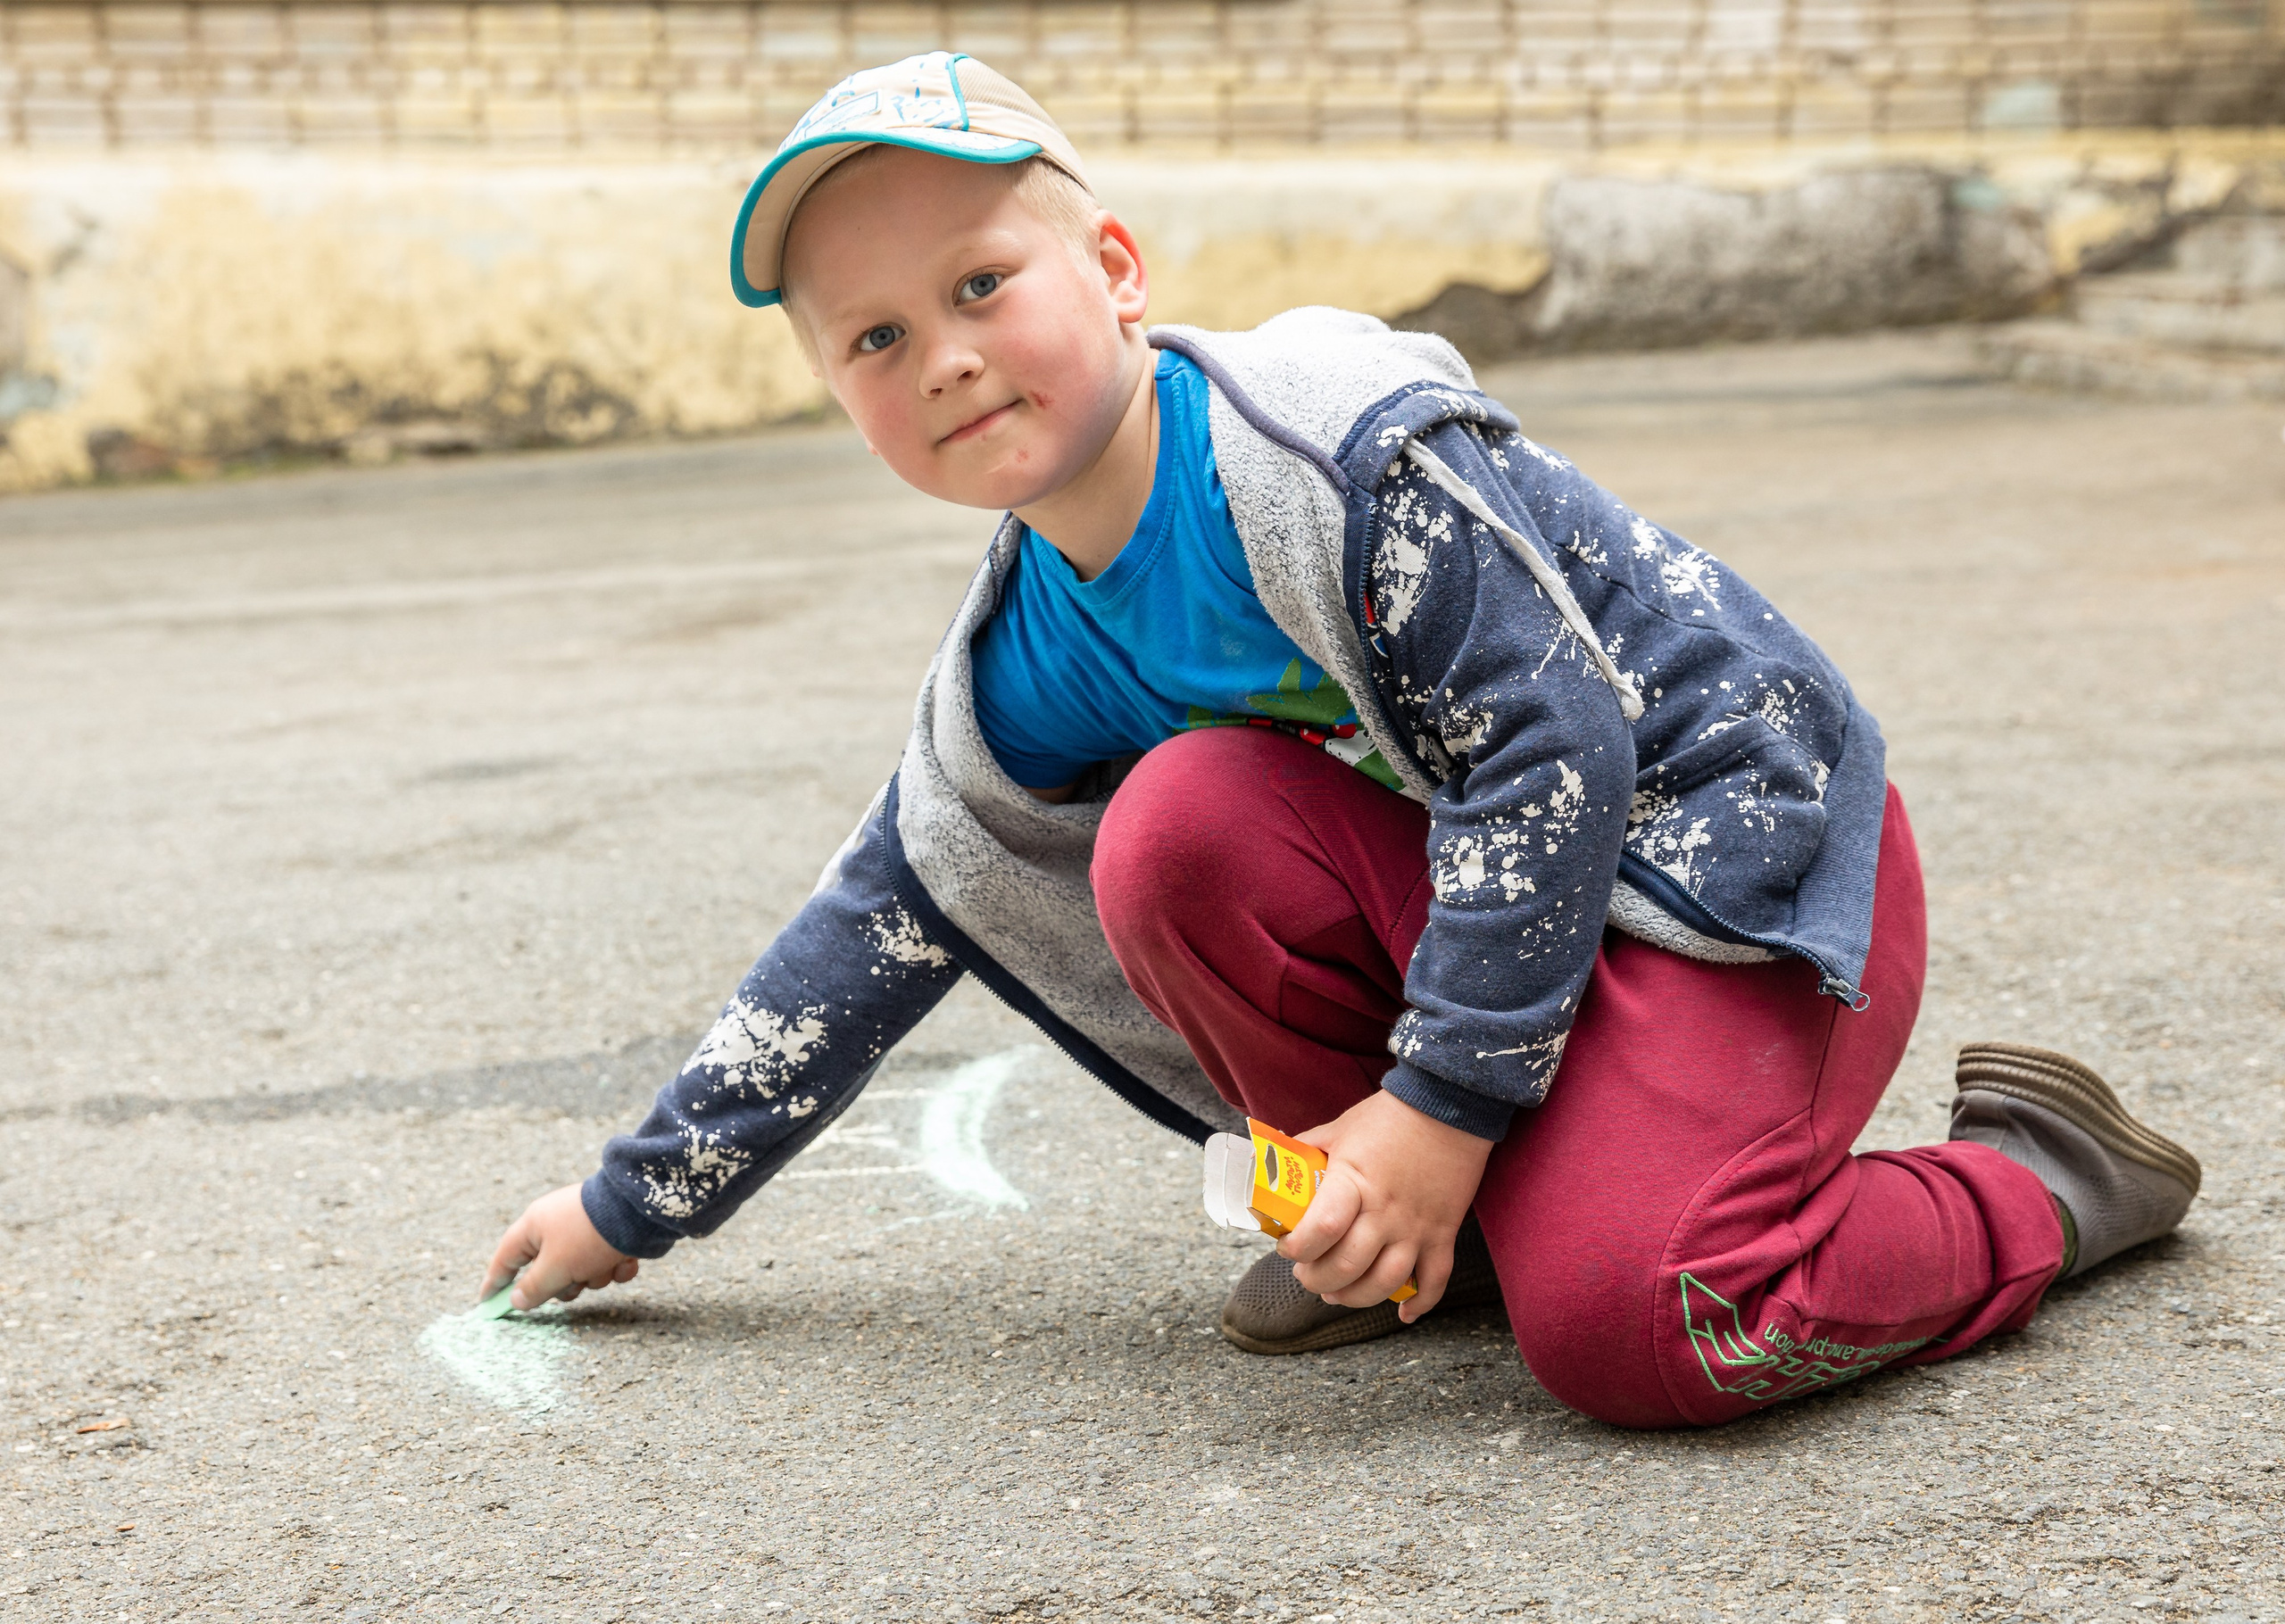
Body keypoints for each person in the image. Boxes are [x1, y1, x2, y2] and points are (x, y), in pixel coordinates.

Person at [480, 53, 2201, 1428]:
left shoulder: (1326, 468)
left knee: (1645, 1324)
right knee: (1175, 827)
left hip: (1726, 857)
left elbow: (1559, 748)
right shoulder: (1031, 647)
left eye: (980, 283)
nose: (942, 356)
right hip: (1510, 912)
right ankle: (1416, 1248)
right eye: (874, 339)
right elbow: (886, 915)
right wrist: (634, 1205)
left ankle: (2037, 1182)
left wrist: (1443, 1107)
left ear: (1117, 267)